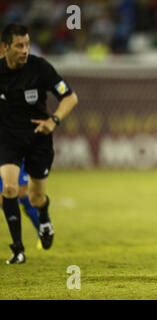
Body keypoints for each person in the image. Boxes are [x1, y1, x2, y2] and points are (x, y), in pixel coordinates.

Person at [0, 24, 78, 264]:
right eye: (19, 46)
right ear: (5, 48)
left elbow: (70, 97)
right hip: (8, 138)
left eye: (27, 45)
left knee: (35, 198)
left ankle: (44, 215)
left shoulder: (40, 68)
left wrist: (53, 121)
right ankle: (18, 250)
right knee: (10, 190)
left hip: (38, 138)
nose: (25, 50)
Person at [0, 162, 43, 249]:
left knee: (22, 193)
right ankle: (17, 243)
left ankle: (42, 231)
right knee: (3, 200)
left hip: (16, 157)